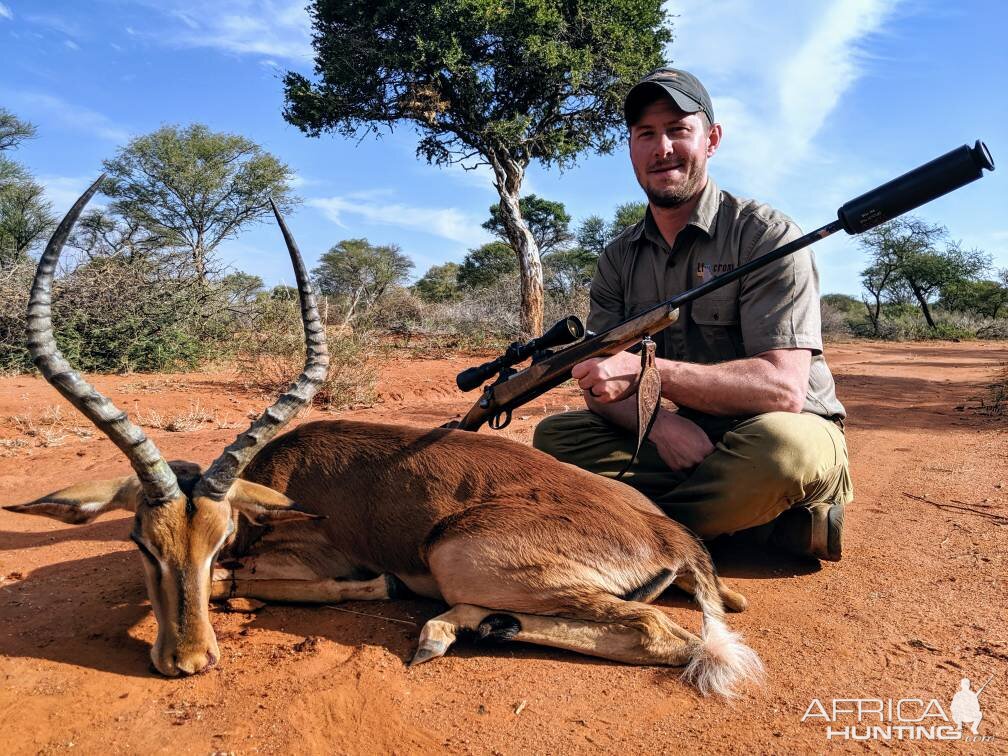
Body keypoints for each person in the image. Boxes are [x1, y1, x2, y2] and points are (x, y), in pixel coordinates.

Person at [532, 67, 853, 561]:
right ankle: (759, 528)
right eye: (646, 134)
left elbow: (781, 390)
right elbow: (602, 385)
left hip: (779, 429)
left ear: (712, 139)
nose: (662, 148)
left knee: (786, 452)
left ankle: (632, 538)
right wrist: (660, 424)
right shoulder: (619, 258)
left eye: (678, 130)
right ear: (632, 149)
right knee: (555, 438)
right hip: (689, 437)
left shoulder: (766, 235)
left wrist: (646, 372)